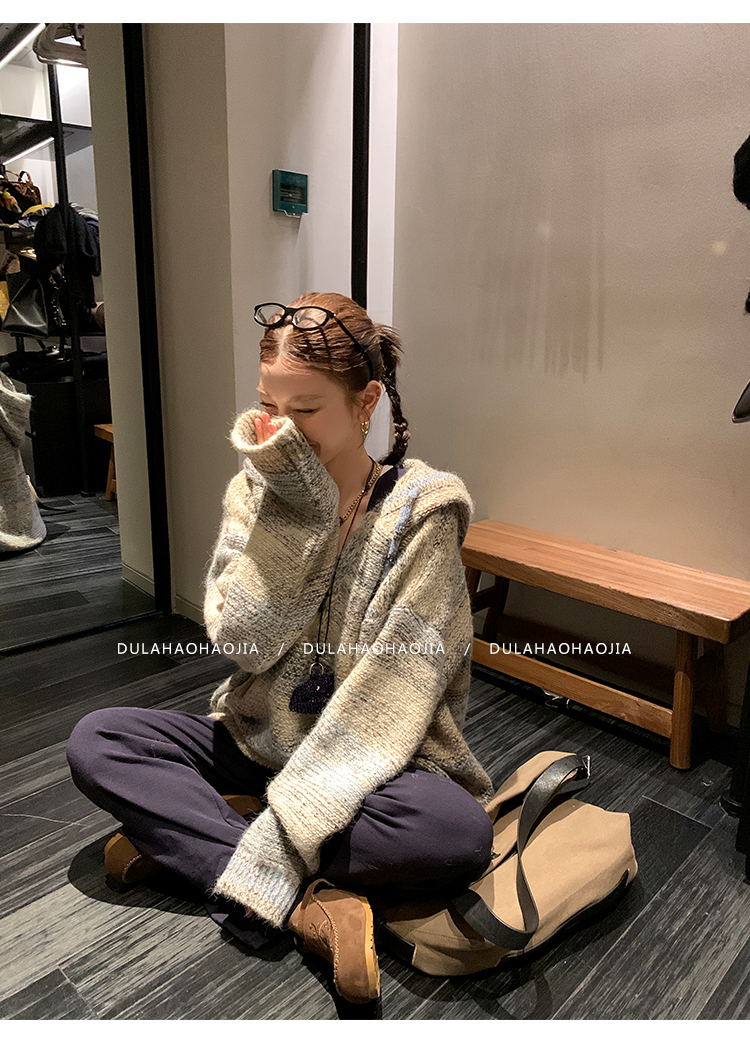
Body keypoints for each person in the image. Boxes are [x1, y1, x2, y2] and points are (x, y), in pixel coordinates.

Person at [66, 292, 494, 1007]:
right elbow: (244, 642)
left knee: (456, 832)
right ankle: (308, 901)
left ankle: (215, 841)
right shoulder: (254, 492)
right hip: (259, 739)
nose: (282, 430)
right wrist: (295, 512)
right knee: (98, 740)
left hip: (376, 768)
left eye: (307, 409)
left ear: (366, 403)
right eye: (270, 405)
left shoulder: (423, 514)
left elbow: (396, 691)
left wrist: (306, 799)